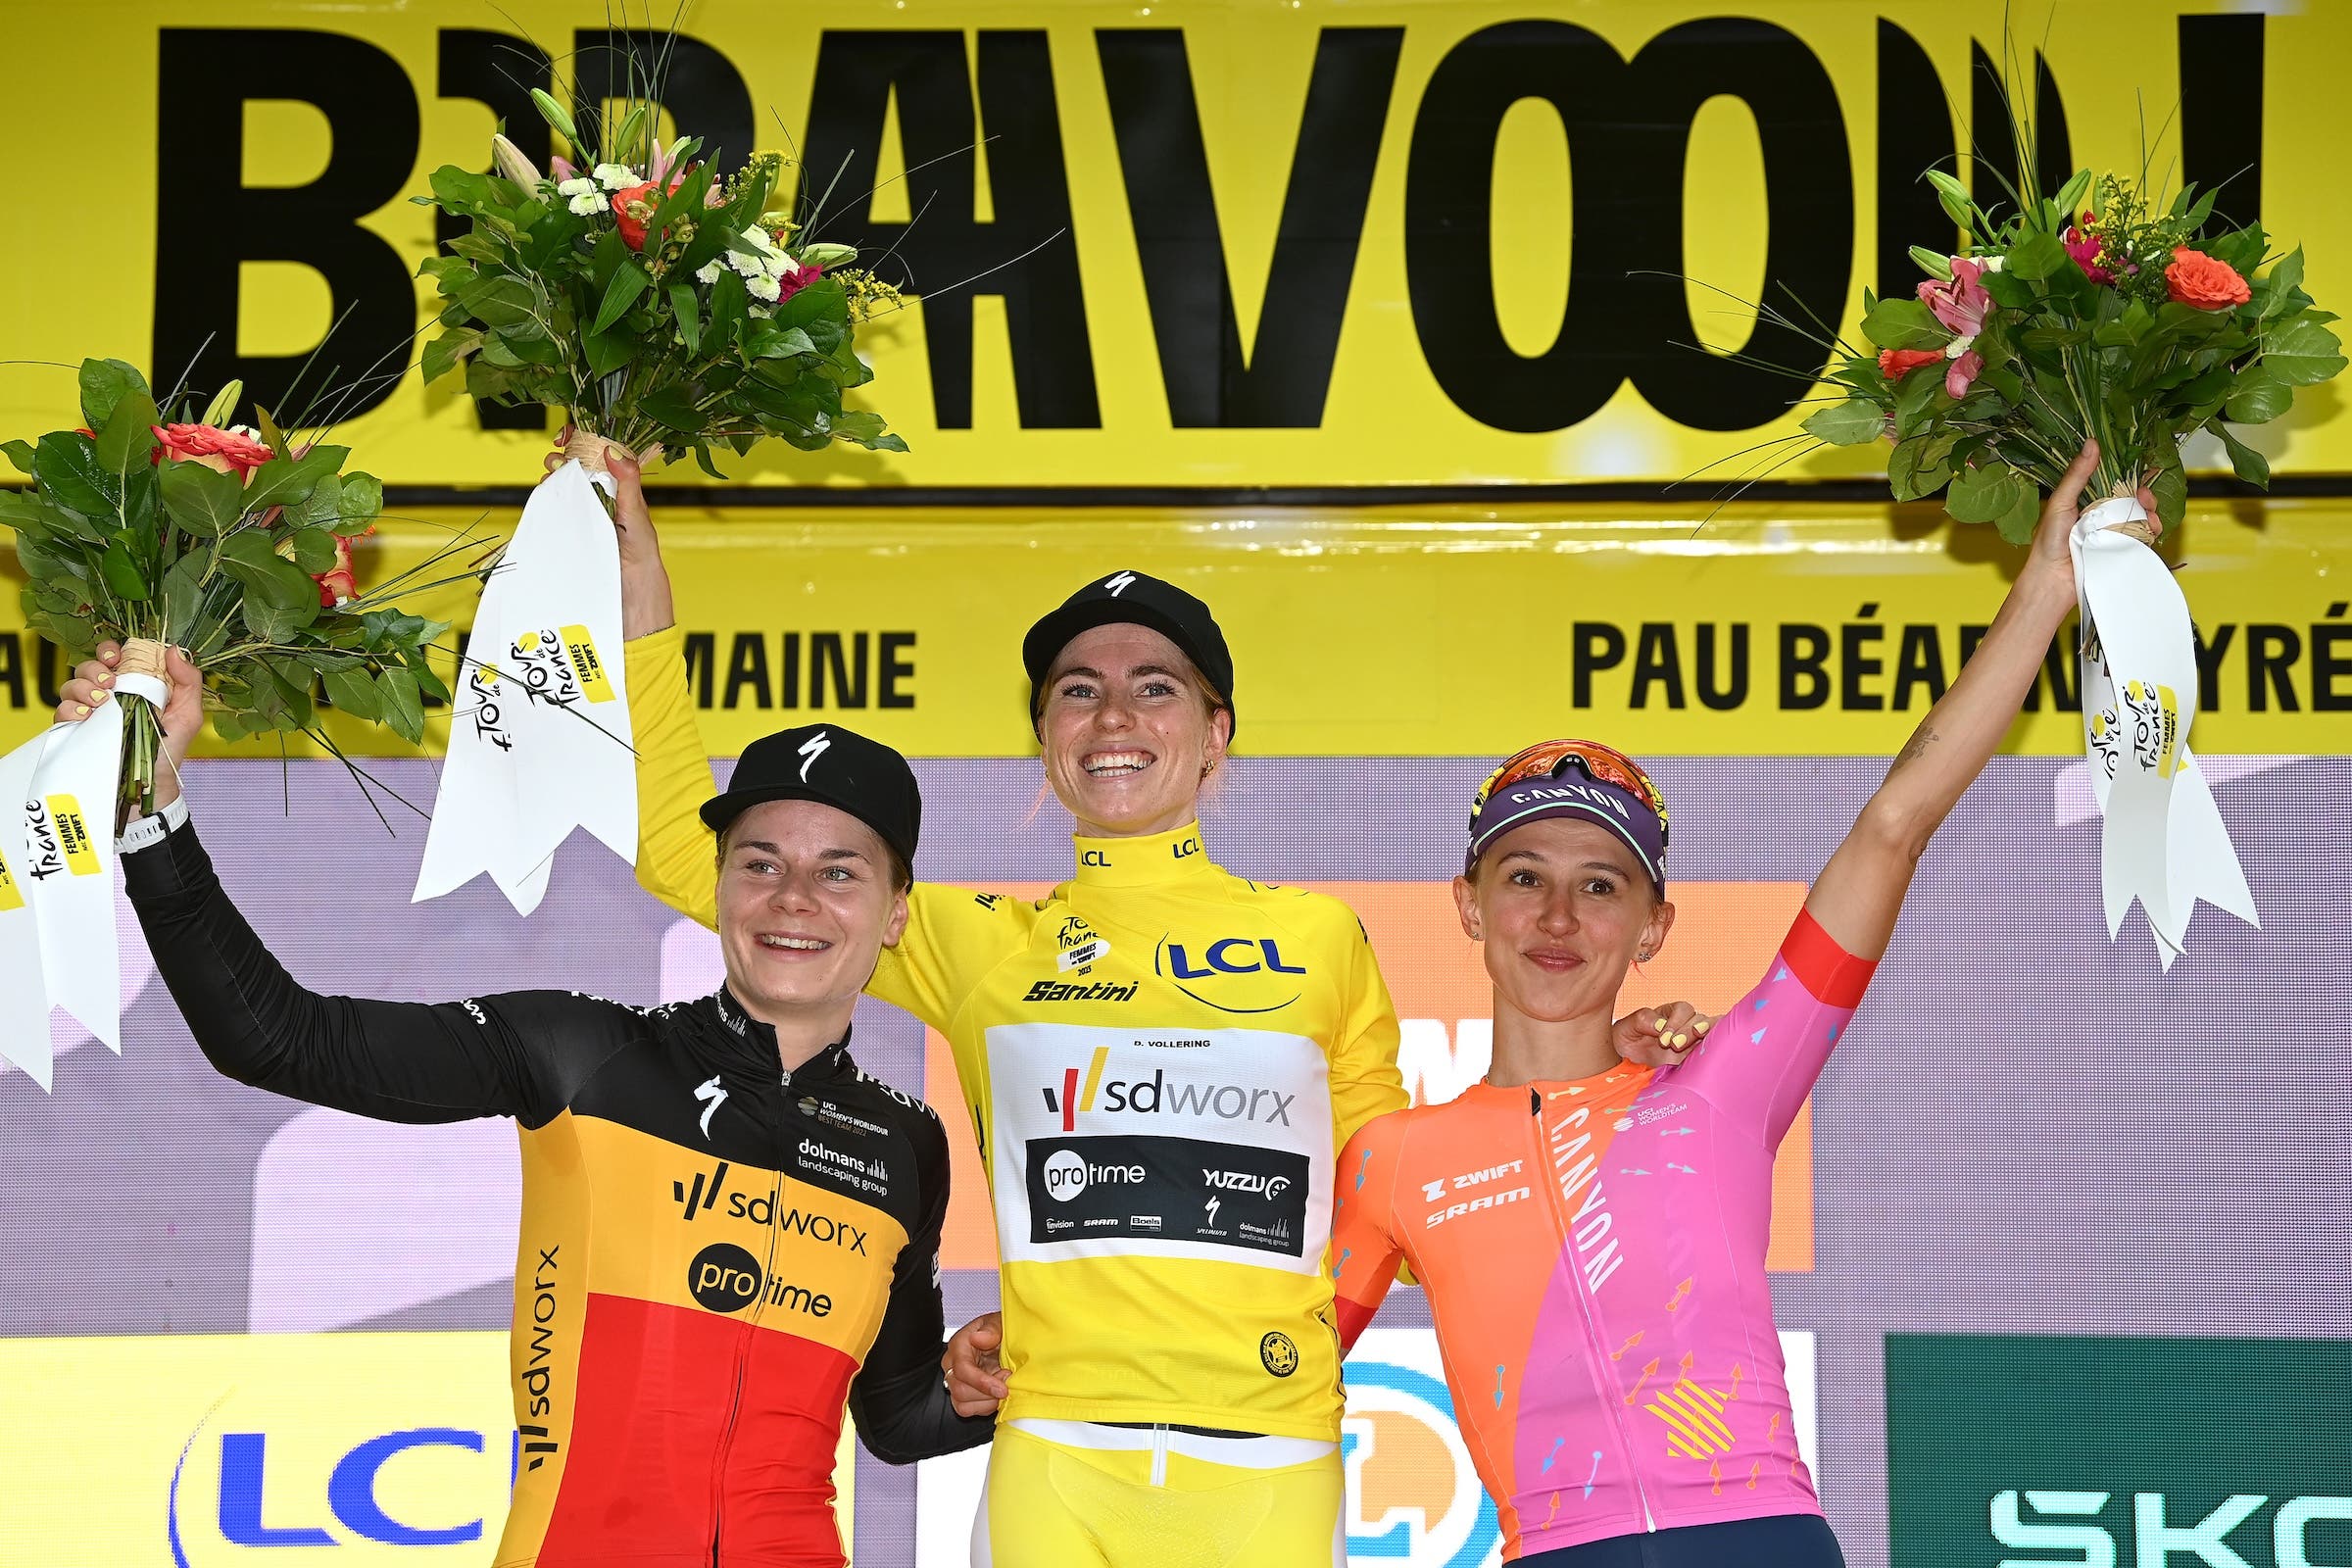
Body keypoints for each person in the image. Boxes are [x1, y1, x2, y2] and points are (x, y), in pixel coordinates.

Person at [598, 447, 1704, 1566]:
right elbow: (684, 849)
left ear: (1216, 733)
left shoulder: (1319, 939)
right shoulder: (975, 940)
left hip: (1271, 1459)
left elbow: (1398, 1194)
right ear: (1045, 739)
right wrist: (635, 565)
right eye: (1078, 689)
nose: (1112, 711)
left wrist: (1581, 1063)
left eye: (1154, 685)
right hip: (1054, 1455)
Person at [1325, 443, 2142, 1566]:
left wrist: (2048, 584)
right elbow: (1274, 1370)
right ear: (1467, 906)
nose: (1558, 915)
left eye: (1600, 884)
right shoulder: (1393, 1159)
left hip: (1758, 1535)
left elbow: (1893, 825)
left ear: (1654, 927)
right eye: (1524, 877)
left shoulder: (1722, 1082)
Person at [56, 642, 992, 1567]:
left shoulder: (905, 1143)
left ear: (897, 911)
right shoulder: (583, 1053)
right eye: (759, 864)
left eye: (838, 872)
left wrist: (1011, 1372)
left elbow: (899, 1419)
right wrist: (150, 802)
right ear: (718, 886)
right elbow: (279, 1038)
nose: (793, 900)